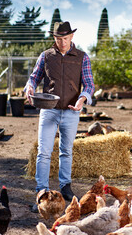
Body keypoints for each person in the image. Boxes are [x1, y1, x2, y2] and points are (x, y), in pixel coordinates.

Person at [24, 21, 95, 212]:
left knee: (66, 151)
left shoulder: (82, 57)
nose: (62, 42)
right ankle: (42, 192)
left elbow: (89, 84)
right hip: (49, 110)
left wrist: (82, 99)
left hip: (72, 111)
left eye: (65, 38)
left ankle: (65, 187)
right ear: (53, 38)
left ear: (71, 37)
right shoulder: (46, 56)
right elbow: (34, 77)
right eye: (58, 38)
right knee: (43, 152)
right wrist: (29, 86)